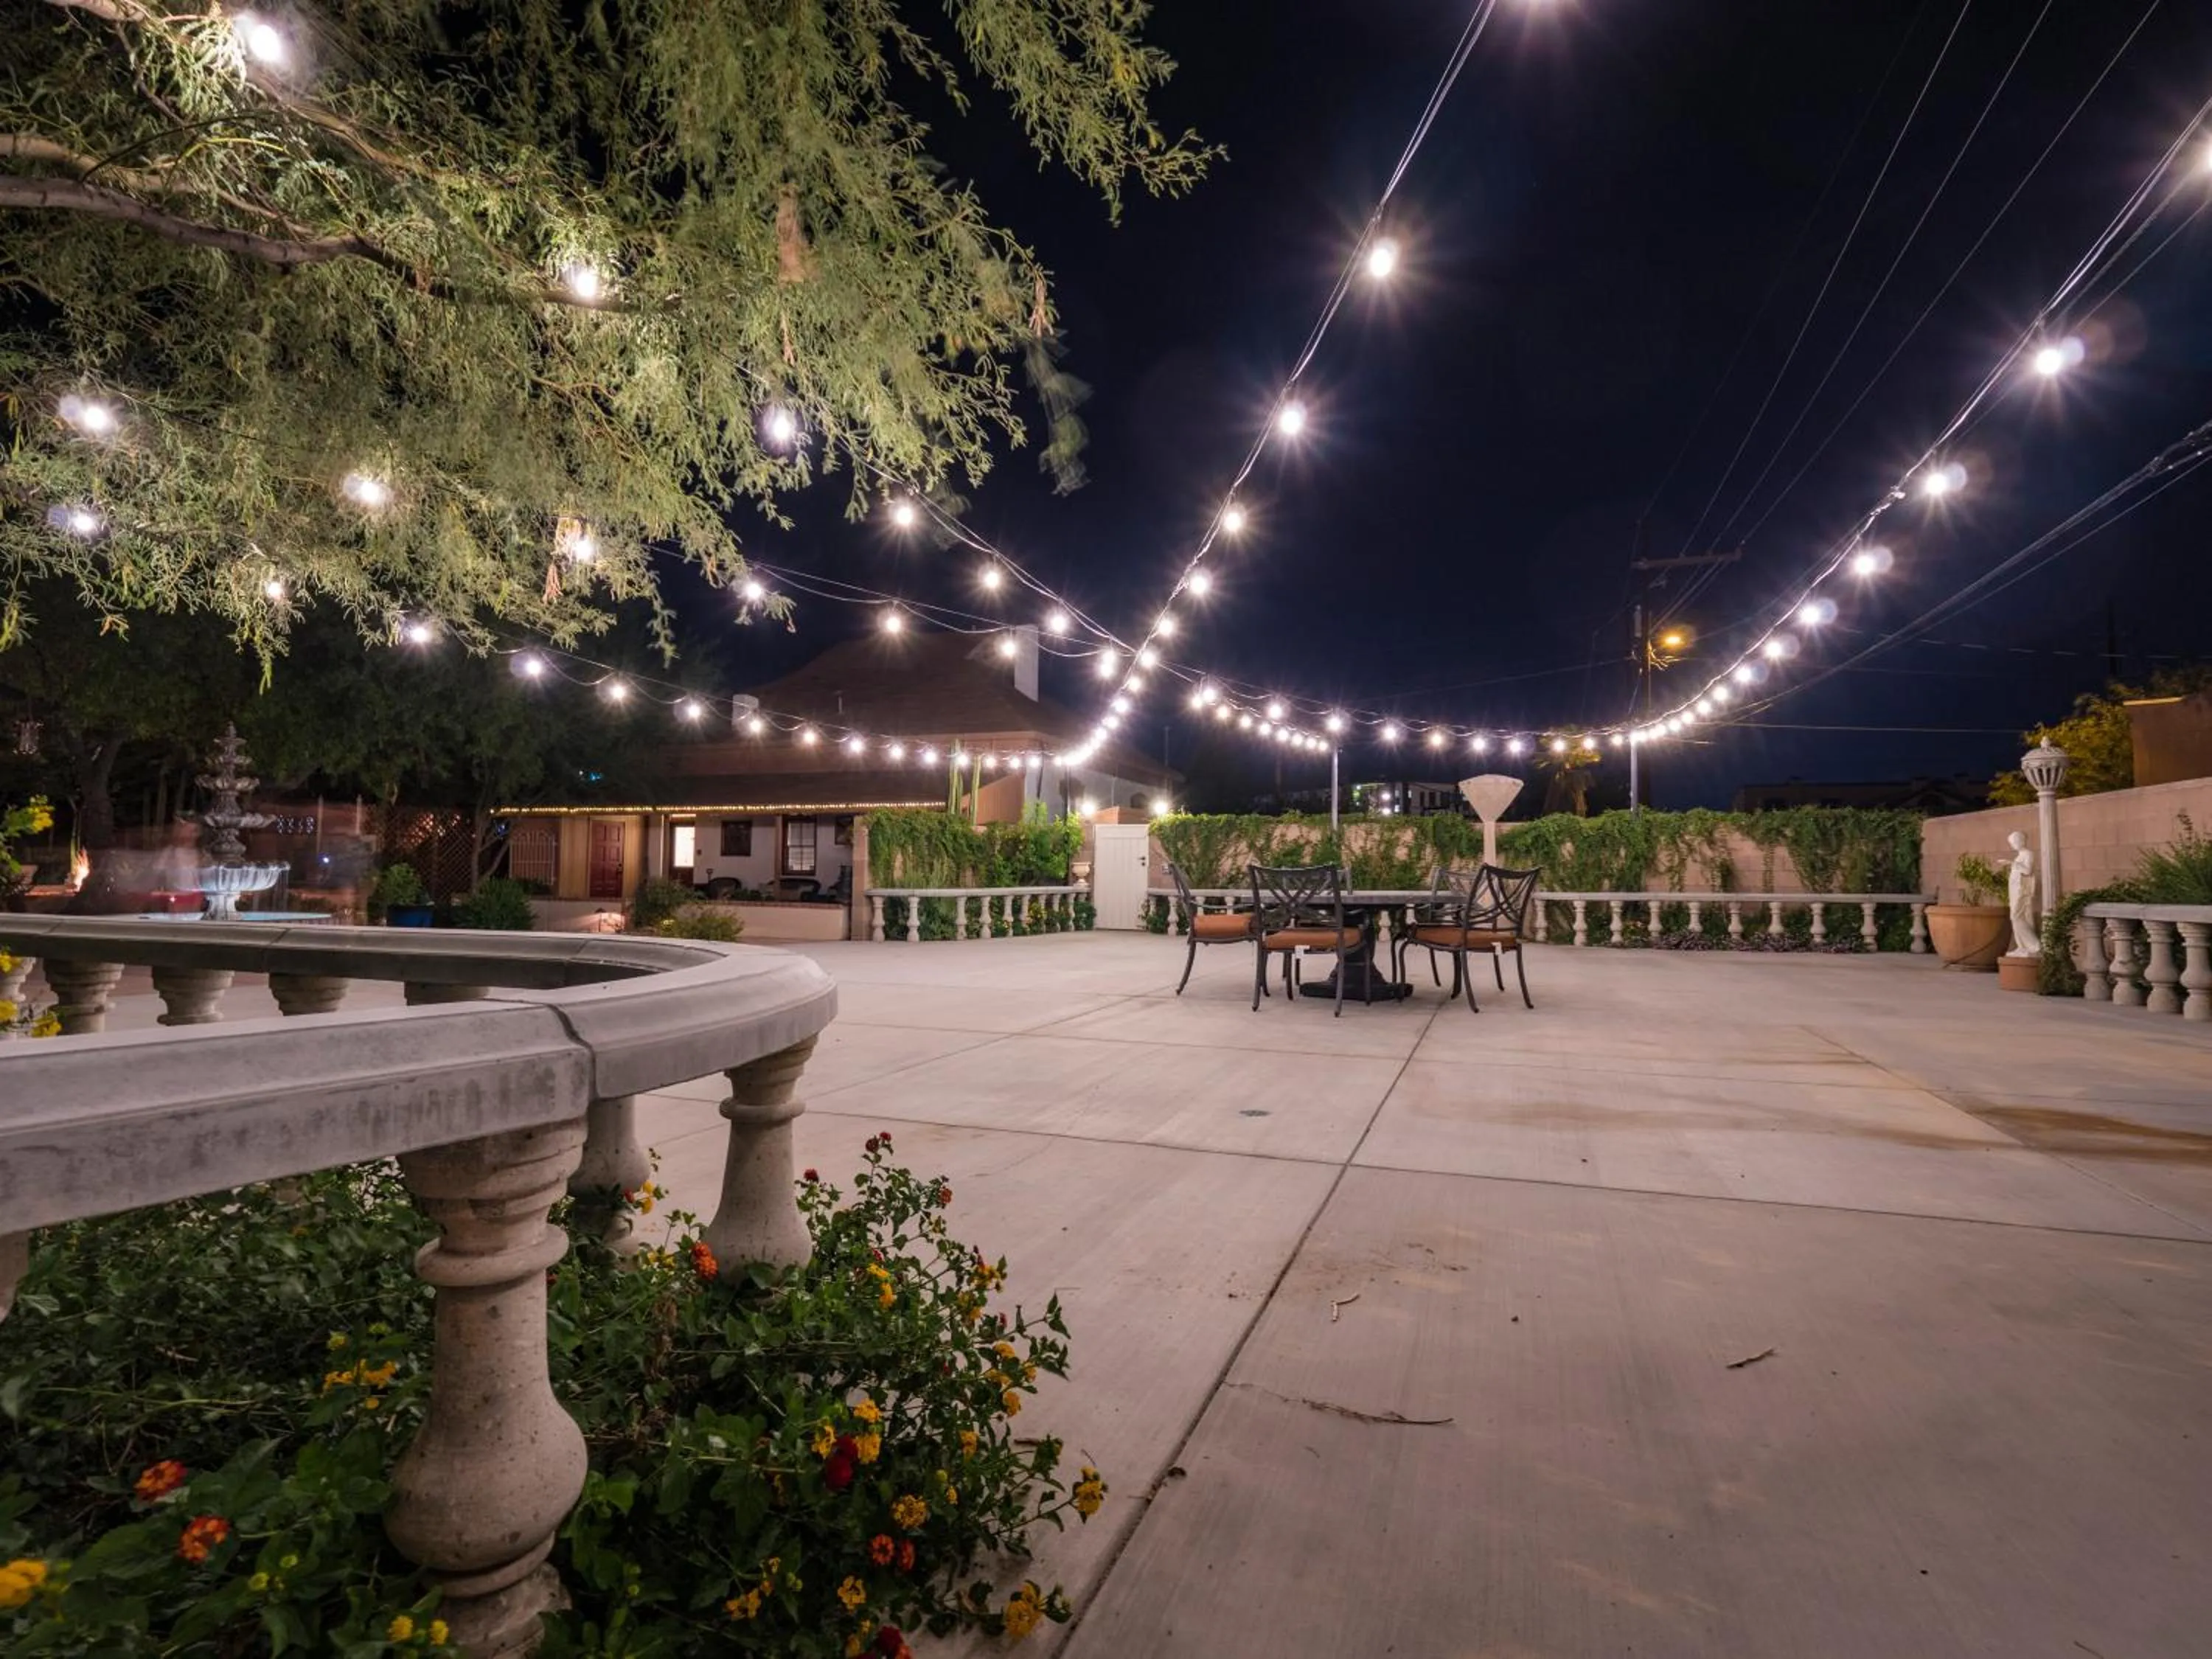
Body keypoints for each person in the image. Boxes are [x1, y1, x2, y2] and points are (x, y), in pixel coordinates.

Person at [2005, 830, 2039, 956]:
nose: (2013, 845)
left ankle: (2034, 945)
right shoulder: (2019, 856)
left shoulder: (2028, 854)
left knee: (2016, 917)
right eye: (2011, 843)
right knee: (2015, 918)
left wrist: (2013, 864)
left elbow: (2028, 871)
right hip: (2015, 891)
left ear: (2021, 841)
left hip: (2022, 891)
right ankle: (2022, 946)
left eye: (2014, 842)